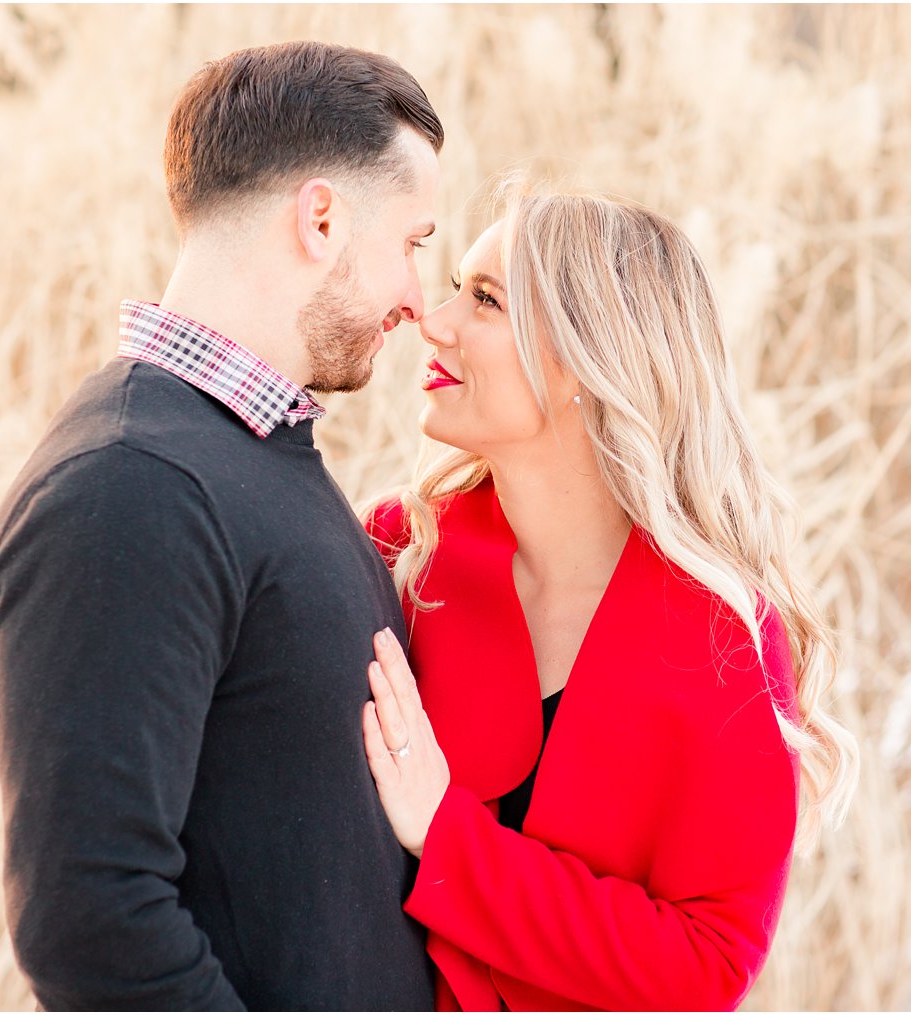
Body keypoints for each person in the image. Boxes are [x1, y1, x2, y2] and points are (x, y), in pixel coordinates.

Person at [0, 41, 443, 1010]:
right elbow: (91, 918)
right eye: (412, 243)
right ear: (321, 217)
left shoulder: (253, 459)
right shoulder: (127, 488)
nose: (417, 298)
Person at [359, 191, 860, 1011]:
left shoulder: (722, 636)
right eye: (455, 285)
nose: (433, 319)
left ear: (585, 365)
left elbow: (706, 967)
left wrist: (448, 837)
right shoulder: (398, 549)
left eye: (484, 298)